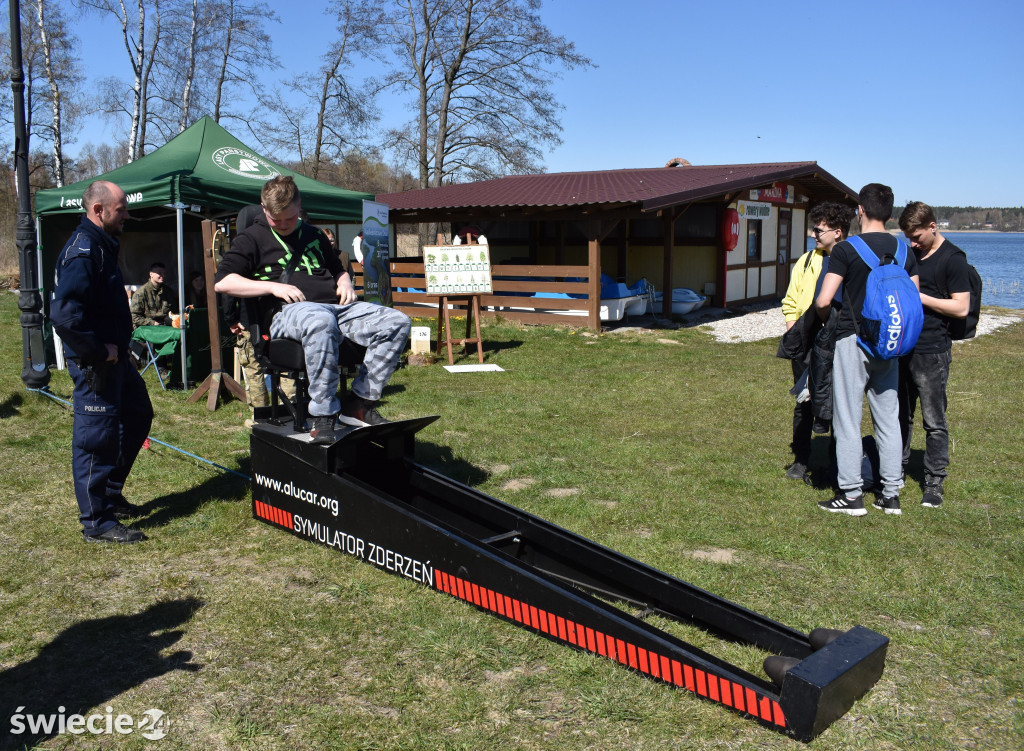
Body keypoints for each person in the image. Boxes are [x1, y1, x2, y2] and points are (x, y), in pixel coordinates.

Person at [214, 176, 411, 443]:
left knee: (396, 322)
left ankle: (360, 402)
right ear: (263, 208)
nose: (283, 225)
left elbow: (338, 269)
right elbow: (224, 282)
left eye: (290, 218)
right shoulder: (251, 238)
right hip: (287, 313)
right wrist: (273, 287)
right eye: (276, 219)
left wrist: (345, 283)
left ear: (299, 206)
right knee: (319, 320)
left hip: (334, 308)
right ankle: (323, 415)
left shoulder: (315, 235)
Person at [50, 181, 153, 543]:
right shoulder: (83, 251)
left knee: (138, 414)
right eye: (121, 209)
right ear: (99, 210)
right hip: (96, 363)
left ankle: (110, 494)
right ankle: (97, 522)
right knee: (97, 437)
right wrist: (97, 350)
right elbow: (64, 316)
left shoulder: (101, 244)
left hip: (117, 360)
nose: (127, 214)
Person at [814, 183, 919, 516]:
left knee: (847, 418)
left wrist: (826, 318)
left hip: (853, 339)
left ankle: (851, 495)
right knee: (888, 419)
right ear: (890, 214)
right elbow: (913, 303)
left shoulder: (847, 250)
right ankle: (890, 495)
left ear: (860, 210)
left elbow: (824, 299)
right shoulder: (905, 252)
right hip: (889, 344)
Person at [897, 202, 971, 508]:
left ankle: (934, 481)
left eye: (917, 237)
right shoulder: (909, 254)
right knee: (900, 415)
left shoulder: (954, 259)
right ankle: (895, 471)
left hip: (933, 349)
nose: (913, 244)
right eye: (908, 238)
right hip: (904, 346)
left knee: (934, 419)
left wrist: (920, 297)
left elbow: (961, 307)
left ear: (933, 226)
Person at [780, 202, 855, 482]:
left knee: (838, 402)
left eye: (818, 229)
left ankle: (837, 462)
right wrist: (794, 331)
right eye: (813, 228)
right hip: (806, 343)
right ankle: (801, 459)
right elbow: (790, 299)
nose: (813, 234)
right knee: (805, 402)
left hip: (838, 341)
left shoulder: (851, 261)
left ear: (837, 232)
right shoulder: (808, 259)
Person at [131, 261, 178, 328]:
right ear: (151, 274)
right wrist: (153, 323)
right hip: (146, 328)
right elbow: (134, 316)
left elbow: (174, 312)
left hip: (165, 326)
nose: (162, 276)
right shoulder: (141, 293)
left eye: (164, 273)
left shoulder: (168, 291)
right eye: (159, 273)